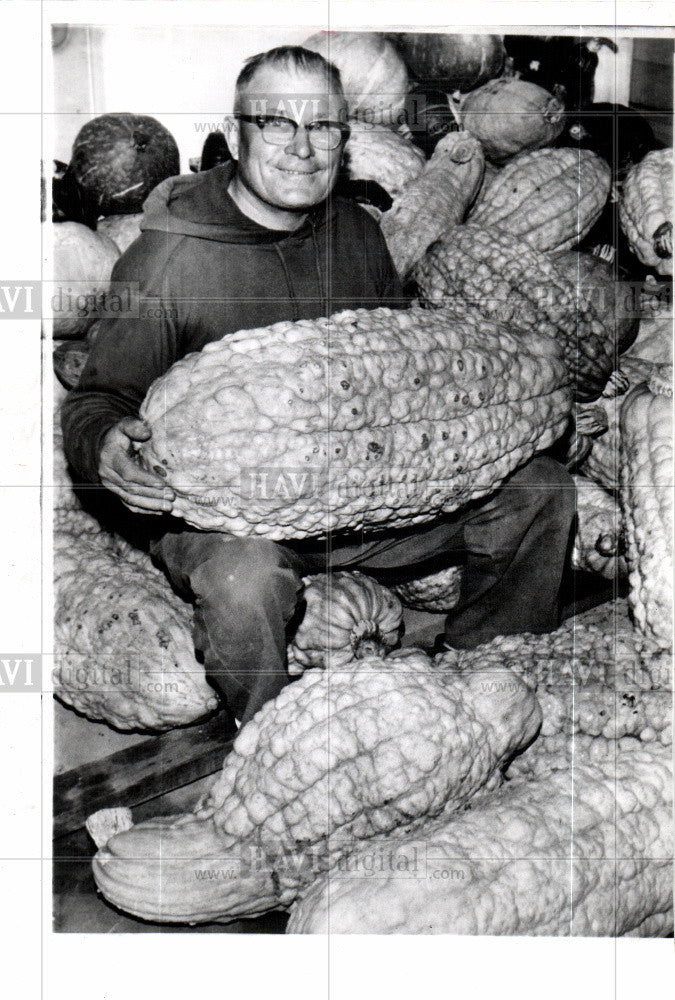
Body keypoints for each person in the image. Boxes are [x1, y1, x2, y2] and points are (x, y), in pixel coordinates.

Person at [62, 46, 575, 727]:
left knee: (538, 492)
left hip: (360, 493)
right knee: (244, 582)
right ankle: (271, 744)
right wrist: (103, 445)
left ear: (345, 135)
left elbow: (398, 371)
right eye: (277, 122)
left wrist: (522, 409)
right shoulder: (167, 260)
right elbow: (96, 399)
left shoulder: (359, 233)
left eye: (323, 127)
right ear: (235, 129)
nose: (302, 148)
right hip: (226, 511)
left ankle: (481, 681)